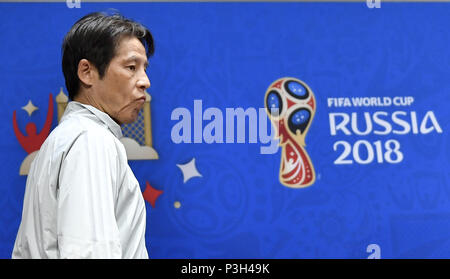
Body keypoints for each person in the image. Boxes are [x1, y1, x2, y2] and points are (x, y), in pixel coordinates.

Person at [12, 11, 154, 259]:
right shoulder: (91, 140)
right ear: (86, 72)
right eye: (131, 67)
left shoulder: (69, 137)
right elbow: (90, 253)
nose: (145, 81)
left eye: (144, 68)